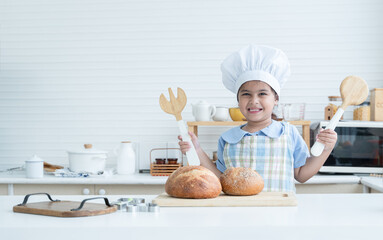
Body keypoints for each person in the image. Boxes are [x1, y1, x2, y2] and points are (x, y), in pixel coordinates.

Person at [178, 44, 337, 192]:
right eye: (246, 94)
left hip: (280, 215)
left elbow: (302, 175)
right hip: (239, 215)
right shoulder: (227, 139)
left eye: (262, 94)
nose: (254, 100)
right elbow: (219, 178)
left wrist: (326, 149)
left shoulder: (288, 134)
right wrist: (197, 150)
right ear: (238, 100)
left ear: (276, 99)